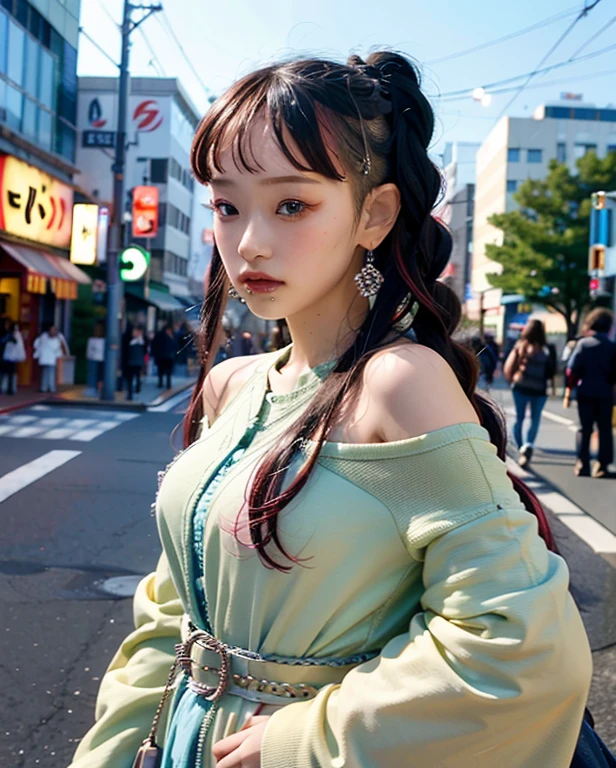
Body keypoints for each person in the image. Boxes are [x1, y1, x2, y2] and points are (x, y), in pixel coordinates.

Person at [71, 52, 593, 768]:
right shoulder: (232, 384)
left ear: (373, 214)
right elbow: (169, 613)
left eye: (293, 204)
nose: (248, 241)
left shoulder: (399, 384)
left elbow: (521, 646)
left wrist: (298, 741)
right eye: (227, 205)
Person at [564, 308, 616, 478]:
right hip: (606, 393)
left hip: (585, 391)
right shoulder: (612, 347)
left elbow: (572, 370)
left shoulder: (583, 344)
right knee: (605, 428)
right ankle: (602, 464)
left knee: (584, 429)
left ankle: (582, 463)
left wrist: (569, 389)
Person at [504, 319, 555, 468]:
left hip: (520, 386)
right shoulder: (547, 349)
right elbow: (552, 370)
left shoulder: (521, 346)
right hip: (539, 389)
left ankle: (520, 448)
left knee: (519, 419)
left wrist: (510, 380)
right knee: (535, 418)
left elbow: (509, 366)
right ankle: (528, 445)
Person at [33, 324, 63, 393]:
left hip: (51, 359)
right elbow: (37, 344)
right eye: (52, 330)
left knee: (51, 374)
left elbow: (57, 349)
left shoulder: (56, 339)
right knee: (45, 374)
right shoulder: (44, 337)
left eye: (55, 330)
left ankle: (51, 388)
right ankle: (44, 388)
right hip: (45, 358)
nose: (54, 331)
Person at [1, 321, 26, 394]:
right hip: (9, 356)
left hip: (11, 357)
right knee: (7, 373)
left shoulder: (14, 334)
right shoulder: (9, 333)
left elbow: (16, 343)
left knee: (10, 374)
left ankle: (10, 389)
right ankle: (7, 388)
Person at [152, 324, 178, 389]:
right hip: (162, 357)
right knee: (161, 371)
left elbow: (175, 346)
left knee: (167, 372)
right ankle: (162, 383)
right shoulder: (161, 336)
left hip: (168, 357)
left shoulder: (172, 336)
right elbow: (155, 345)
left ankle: (167, 384)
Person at [125, 325, 146, 401]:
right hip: (130, 362)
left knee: (137, 377)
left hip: (138, 363)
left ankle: (137, 388)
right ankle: (130, 394)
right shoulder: (129, 340)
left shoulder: (142, 341)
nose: (135, 333)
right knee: (130, 379)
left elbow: (145, 350)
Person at [86, 322, 106, 394]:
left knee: (100, 376)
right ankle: (92, 388)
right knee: (93, 374)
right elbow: (89, 350)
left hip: (101, 359)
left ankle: (99, 390)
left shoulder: (104, 340)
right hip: (93, 359)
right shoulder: (92, 340)